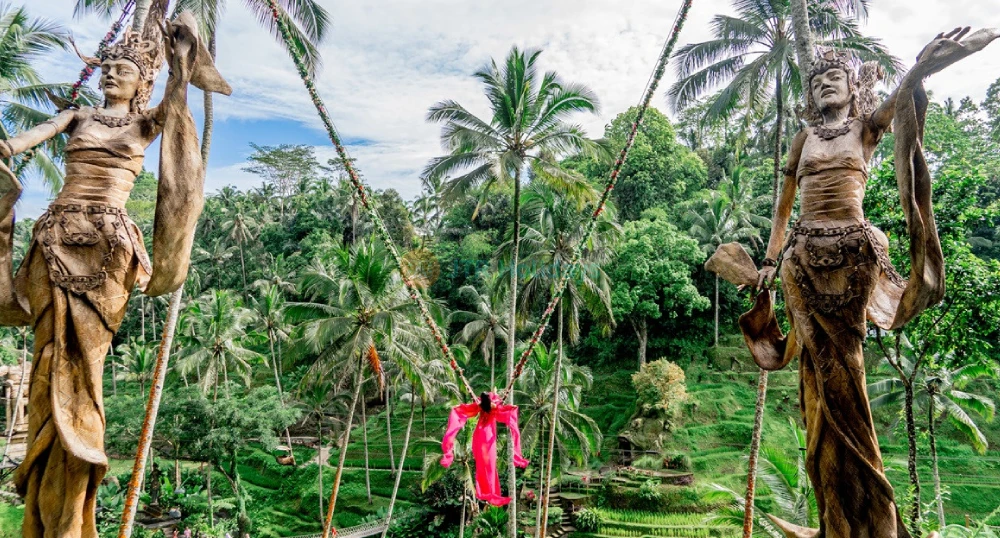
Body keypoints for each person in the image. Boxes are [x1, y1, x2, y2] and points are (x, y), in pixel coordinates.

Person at [748, 28, 998, 538]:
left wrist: (925, 65)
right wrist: (770, 261)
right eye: (817, 82)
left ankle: (873, 515)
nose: (825, 87)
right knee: (816, 375)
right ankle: (831, 519)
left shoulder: (865, 127)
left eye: (834, 78)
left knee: (850, 368)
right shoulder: (805, 138)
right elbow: (783, 205)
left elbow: (901, 99)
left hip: (855, 253)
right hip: (800, 256)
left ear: (852, 87)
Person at [0, 9, 229, 538]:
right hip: (54, 238)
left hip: (109, 249)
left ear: (140, 80)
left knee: (86, 366)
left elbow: (176, 114)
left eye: (121, 69)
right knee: (47, 360)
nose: (109, 74)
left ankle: (75, 510)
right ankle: (44, 506)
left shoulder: (145, 121)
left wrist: (179, 61)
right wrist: (7, 149)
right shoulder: (78, 115)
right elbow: (29, 137)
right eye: (106, 67)